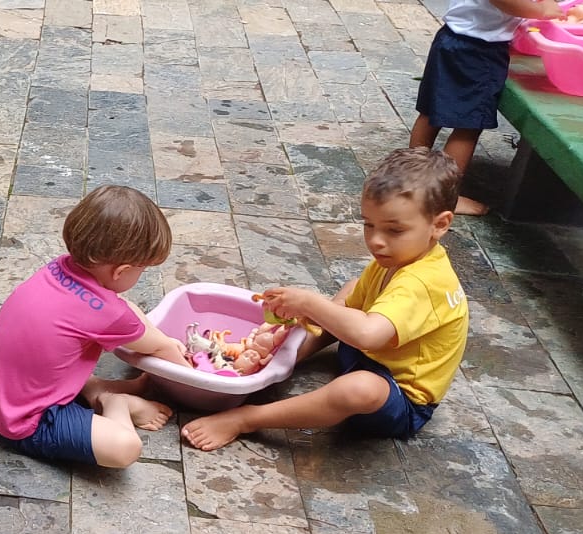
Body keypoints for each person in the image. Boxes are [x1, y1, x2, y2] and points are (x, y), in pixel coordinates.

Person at [182, 148, 470, 451]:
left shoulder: (424, 282)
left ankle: (247, 418)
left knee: (358, 387)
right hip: (365, 352)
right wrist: (311, 313)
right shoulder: (398, 258)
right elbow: (355, 313)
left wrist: (309, 304)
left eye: (394, 230)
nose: (375, 240)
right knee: (352, 290)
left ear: (440, 225)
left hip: (396, 396)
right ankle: (279, 361)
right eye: (368, 225)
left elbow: (367, 334)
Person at [0, 185, 186, 469]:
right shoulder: (106, 313)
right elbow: (158, 347)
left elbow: (124, 311)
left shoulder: (57, 268)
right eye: (141, 270)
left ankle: (96, 390)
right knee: (125, 448)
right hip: (23, 423)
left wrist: (159, 338)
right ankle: (117, 403)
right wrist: (189, 369)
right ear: (121, 271)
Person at [408, 0, 561, 215]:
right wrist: (542, 10)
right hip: (478, 52)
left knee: (430, 111)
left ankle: (411, 177)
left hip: (451, 38)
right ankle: (443, 199)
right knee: (468, 126)